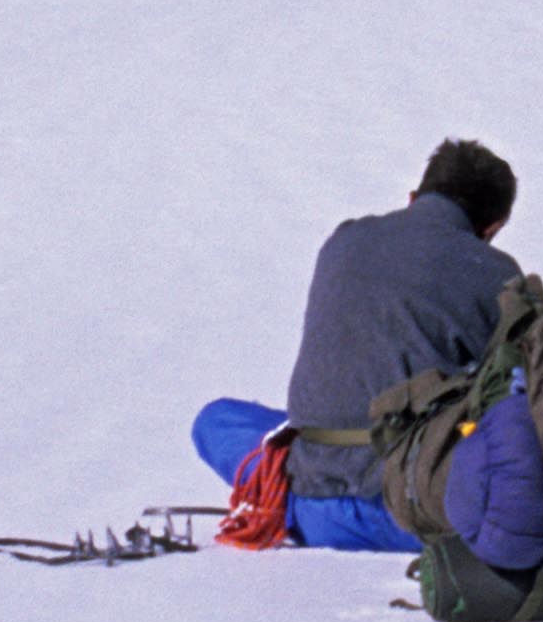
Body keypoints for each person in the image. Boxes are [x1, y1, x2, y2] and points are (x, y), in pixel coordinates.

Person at [190, 139, 521, 552]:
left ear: (414, 198)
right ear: (492, 228)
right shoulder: (495, 271)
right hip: (416, 511)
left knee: (216, 420)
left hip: (311, 499)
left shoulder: (342, 241)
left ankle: (281, 500)